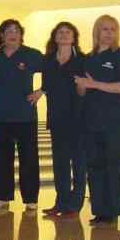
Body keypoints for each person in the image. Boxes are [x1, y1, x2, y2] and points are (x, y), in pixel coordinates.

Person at [75, 15, 120, 226]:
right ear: (97, 32)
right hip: (90, 120)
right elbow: (82, 91)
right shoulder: (87, 58)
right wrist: (81, 86)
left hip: (114, 121)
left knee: (112, 166)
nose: (109, 33)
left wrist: (94, 84)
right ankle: (99, 210)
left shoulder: (119, 55)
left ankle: (113, 211)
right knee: (94, 167)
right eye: (105, 29)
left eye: (113, 29)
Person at [0, 19, 44, 212]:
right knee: (2, 158)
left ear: (21, 35)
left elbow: (52, 70)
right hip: (1, 115)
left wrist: (41, 91)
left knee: (29, 158)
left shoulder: (31, 54)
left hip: (26, 115)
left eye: (16, 31)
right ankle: (2, 196)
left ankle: (31, 199)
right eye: (8, 31)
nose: (13, 34)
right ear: (1, 35)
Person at [36, 22, 85, 219]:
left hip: (78, 117)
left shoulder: (82, 60)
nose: (64, 35)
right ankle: (61, 202)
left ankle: (75, 203)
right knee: (60, 163)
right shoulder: (48, 60)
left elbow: (84, 89)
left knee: (78, 163)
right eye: (60, 32)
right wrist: (40, 91)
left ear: (74, 37)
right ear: (55, 37)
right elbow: (47, 85)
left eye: (68, 32)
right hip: (56, 117)